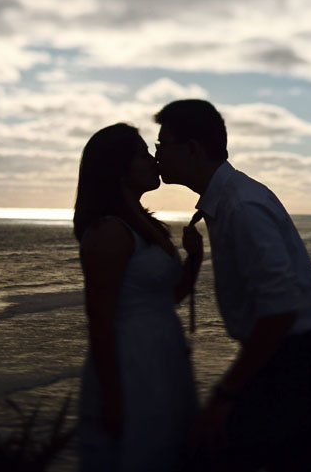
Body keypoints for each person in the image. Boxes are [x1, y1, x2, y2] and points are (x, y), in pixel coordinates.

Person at [154, 99, 311, 472]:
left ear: (192, 149)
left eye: (162, 145)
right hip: (290, 350)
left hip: (292, 355)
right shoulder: (230, 200)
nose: (156, 155)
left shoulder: (241, 207)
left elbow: (281, 308)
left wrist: (226, 392)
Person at [73, 123, 202, 472]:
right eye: (143, 153)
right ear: (119, 167)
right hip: (131, 362)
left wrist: (194, 261)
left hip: (162, 356)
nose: (152, 160)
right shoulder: (109, 231)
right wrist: (113, 397)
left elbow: (167, 297)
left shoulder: (143, 225)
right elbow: (99, 318)